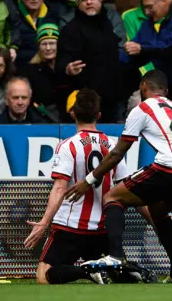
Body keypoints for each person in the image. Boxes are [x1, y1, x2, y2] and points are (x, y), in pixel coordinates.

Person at [66, 70, 172, 284]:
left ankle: (115, 256)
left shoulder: (142, 109)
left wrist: (89, 181)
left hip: (171, 167)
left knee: (113, 197)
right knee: (158, 210)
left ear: (143, 87)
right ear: (165, 92)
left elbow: (116, 154)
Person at [23, 89, 133, 285]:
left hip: (70, 226)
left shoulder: (68, 146)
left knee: (44, 276)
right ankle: (132, 271)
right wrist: (155, 221)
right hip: (101, 228)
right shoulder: (112, 145)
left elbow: (59, 189)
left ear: (72, 113)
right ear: (98, 115)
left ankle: (86, 271)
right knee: (117, 275)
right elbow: (127, 188)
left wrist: (44, 222)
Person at [56, 0, 124, 122]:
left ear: (100, 1)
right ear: (78, 4)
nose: (88, 2)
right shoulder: (70, 30)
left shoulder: (109, 25)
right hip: (83, 100)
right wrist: (68, 69)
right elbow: (61, 62)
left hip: (112, 99)